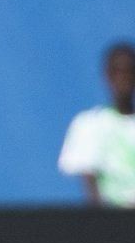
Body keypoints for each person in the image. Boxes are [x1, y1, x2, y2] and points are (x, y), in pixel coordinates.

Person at [58, 41, 135, 207]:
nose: (124, 78)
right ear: (108, 75)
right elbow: (90, 184)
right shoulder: (89, 124)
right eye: (117, 71)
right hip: (112, 224)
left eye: (129, 71)